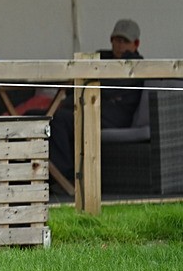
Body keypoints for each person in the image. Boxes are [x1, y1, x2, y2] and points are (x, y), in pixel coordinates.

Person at [49, 19, 145, 180]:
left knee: (58, 119)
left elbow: (107, 87)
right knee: (39, 116)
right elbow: (84, 80)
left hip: (114, 118)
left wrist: (68, 101)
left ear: (136, 44)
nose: (120, 45)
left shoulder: (136, 65)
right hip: (90, 109)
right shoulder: (102, 58)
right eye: (117, 40)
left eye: (125, 41)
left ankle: (64, 178)